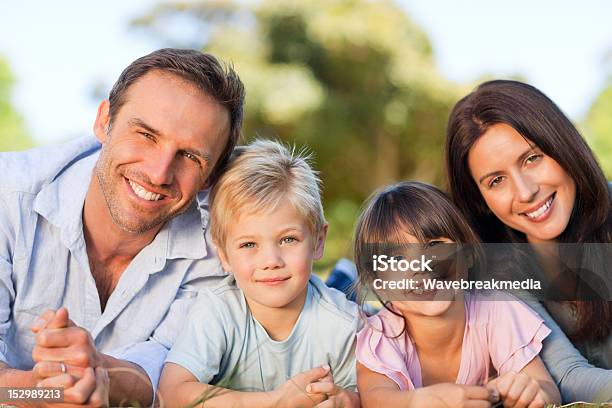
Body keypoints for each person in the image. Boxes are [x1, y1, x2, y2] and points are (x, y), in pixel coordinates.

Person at [0, 48, 245, 405]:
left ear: (211, 176)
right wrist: (47, 394)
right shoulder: (8, 196)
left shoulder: (220, 248)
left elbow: (169, 375)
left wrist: (100, 375)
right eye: (146, 134)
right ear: (104, 121)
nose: (159, 173)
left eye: (190, 156)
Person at [157, 139, 360, 407]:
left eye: (288, 239)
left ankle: (345, 279)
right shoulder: (217, 310)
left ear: (318, 241)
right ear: (224, 255)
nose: (271, 261)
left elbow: (374, 394)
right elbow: (171, 393)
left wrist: (347, 400)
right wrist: (274, 402)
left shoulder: (345, 325)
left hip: (330, 303)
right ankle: (343, 277)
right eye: (249, 244)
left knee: (346, 295)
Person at [446, 79, 612, 402]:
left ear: (562, 145)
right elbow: (566, 376)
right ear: (481, 200)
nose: (525, 192)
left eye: (532, 159)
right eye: (496, 181)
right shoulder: (497, 274)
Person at [354, 181, 560, 408]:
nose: (420, 265)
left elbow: (546, 388)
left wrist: (531, 392)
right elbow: (375, 399)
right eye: (397, 259)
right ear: (378, 284)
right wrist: (417, 402)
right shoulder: (380, 335)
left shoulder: (496, 310)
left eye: (434, 245)